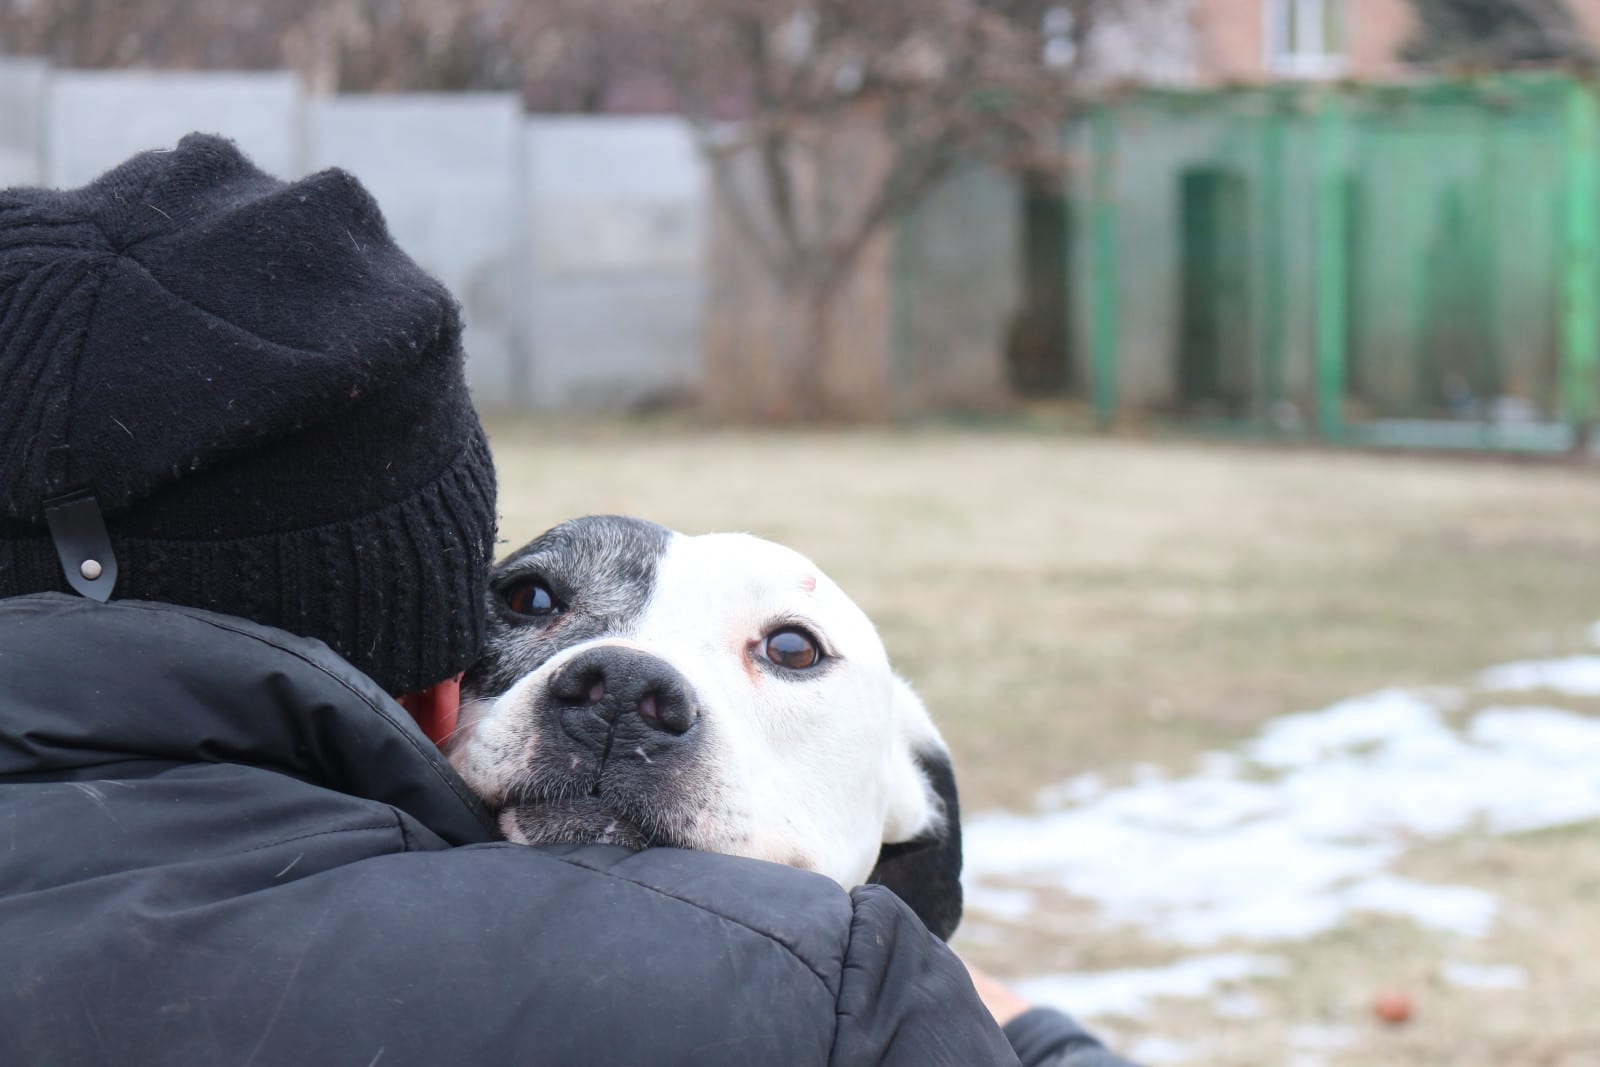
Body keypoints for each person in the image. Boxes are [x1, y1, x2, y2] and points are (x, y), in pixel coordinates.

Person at [0, 134, 1136, 1066]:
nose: (626, 684)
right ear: (415, 671)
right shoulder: (835, 1013)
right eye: (534, 599)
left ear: (912, 820)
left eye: (787, 649)